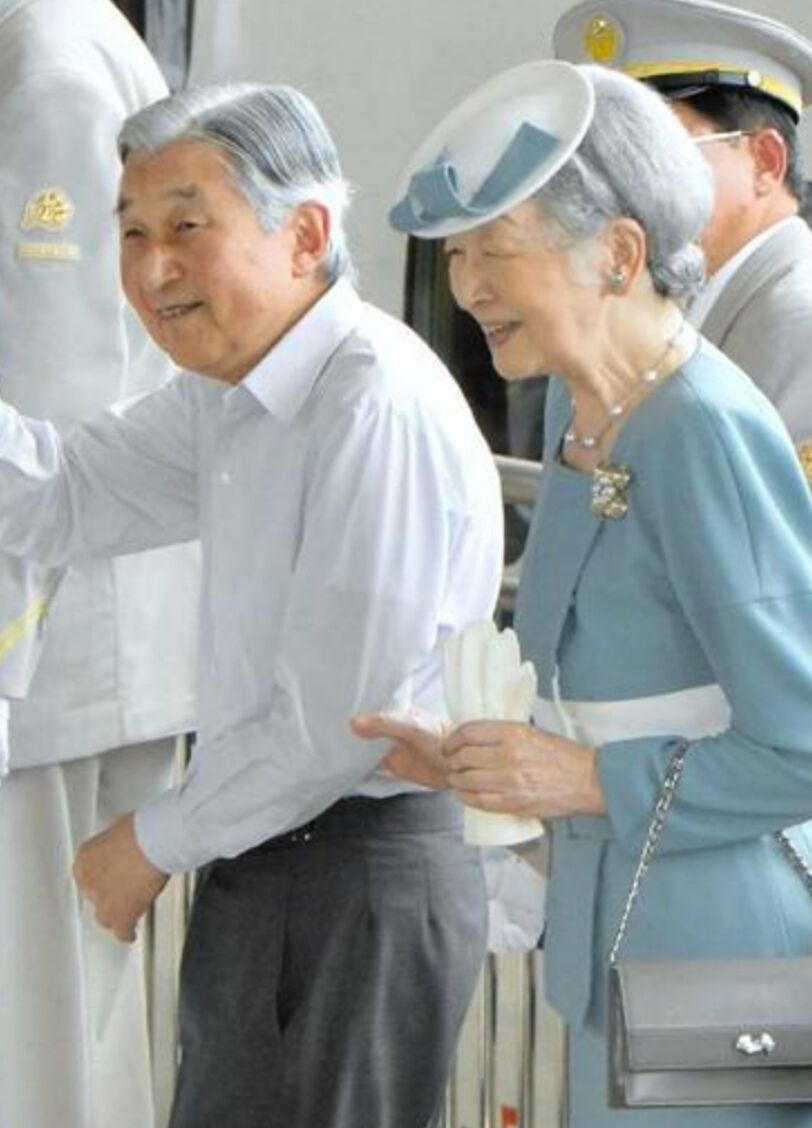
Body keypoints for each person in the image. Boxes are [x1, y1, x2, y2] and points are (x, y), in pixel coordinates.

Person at [0, 81, 503, 1127]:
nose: (151, 271)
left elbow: (335, 726)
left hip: (354, 863)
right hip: (272, 855)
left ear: (306, 234)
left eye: (188, 228)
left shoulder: (370, 403)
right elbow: (59, 498)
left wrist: (149, 842)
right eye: (131, 233)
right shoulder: (230, 395)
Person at [354, 58, 812, 1126]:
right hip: (617, 922)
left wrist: (583, 776)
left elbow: (800, 747)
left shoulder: (701, 428)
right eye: (456, 255)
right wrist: (485, 760)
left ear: (618, 253)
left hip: (717, 948)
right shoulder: (581, 409)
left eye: (495, 249)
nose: (468, 287)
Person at [0, 3, 199, 1127]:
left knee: (31, 1020)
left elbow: (51, 405)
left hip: (46, 647)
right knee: (69, 1015)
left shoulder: (48, 68)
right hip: (72, 638)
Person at [554, 0, 812, 453]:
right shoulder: (665, 295)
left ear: (766, 162)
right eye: (604, 160)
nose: (620, 184)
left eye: (657, 154)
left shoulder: (800, 322)